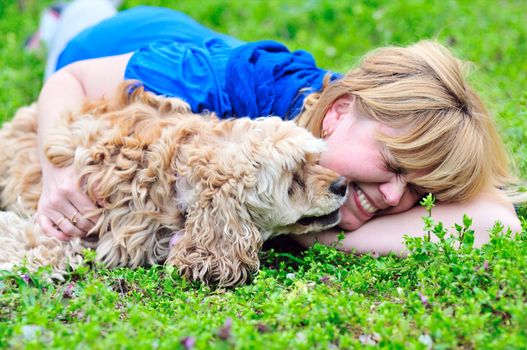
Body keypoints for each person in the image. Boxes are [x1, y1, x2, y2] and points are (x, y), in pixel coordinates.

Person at [34, 1, 524, 255]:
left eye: (417, 185)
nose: (397, 198)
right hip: (117, 45)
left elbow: (495, 223)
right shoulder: (233, 87)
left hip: (204, 43)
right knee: (79, 23)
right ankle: (66, 15)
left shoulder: (357, 125)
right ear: (336, 112)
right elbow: (71, 80)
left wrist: (317, 235)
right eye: (393, 164)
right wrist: (56, 169)